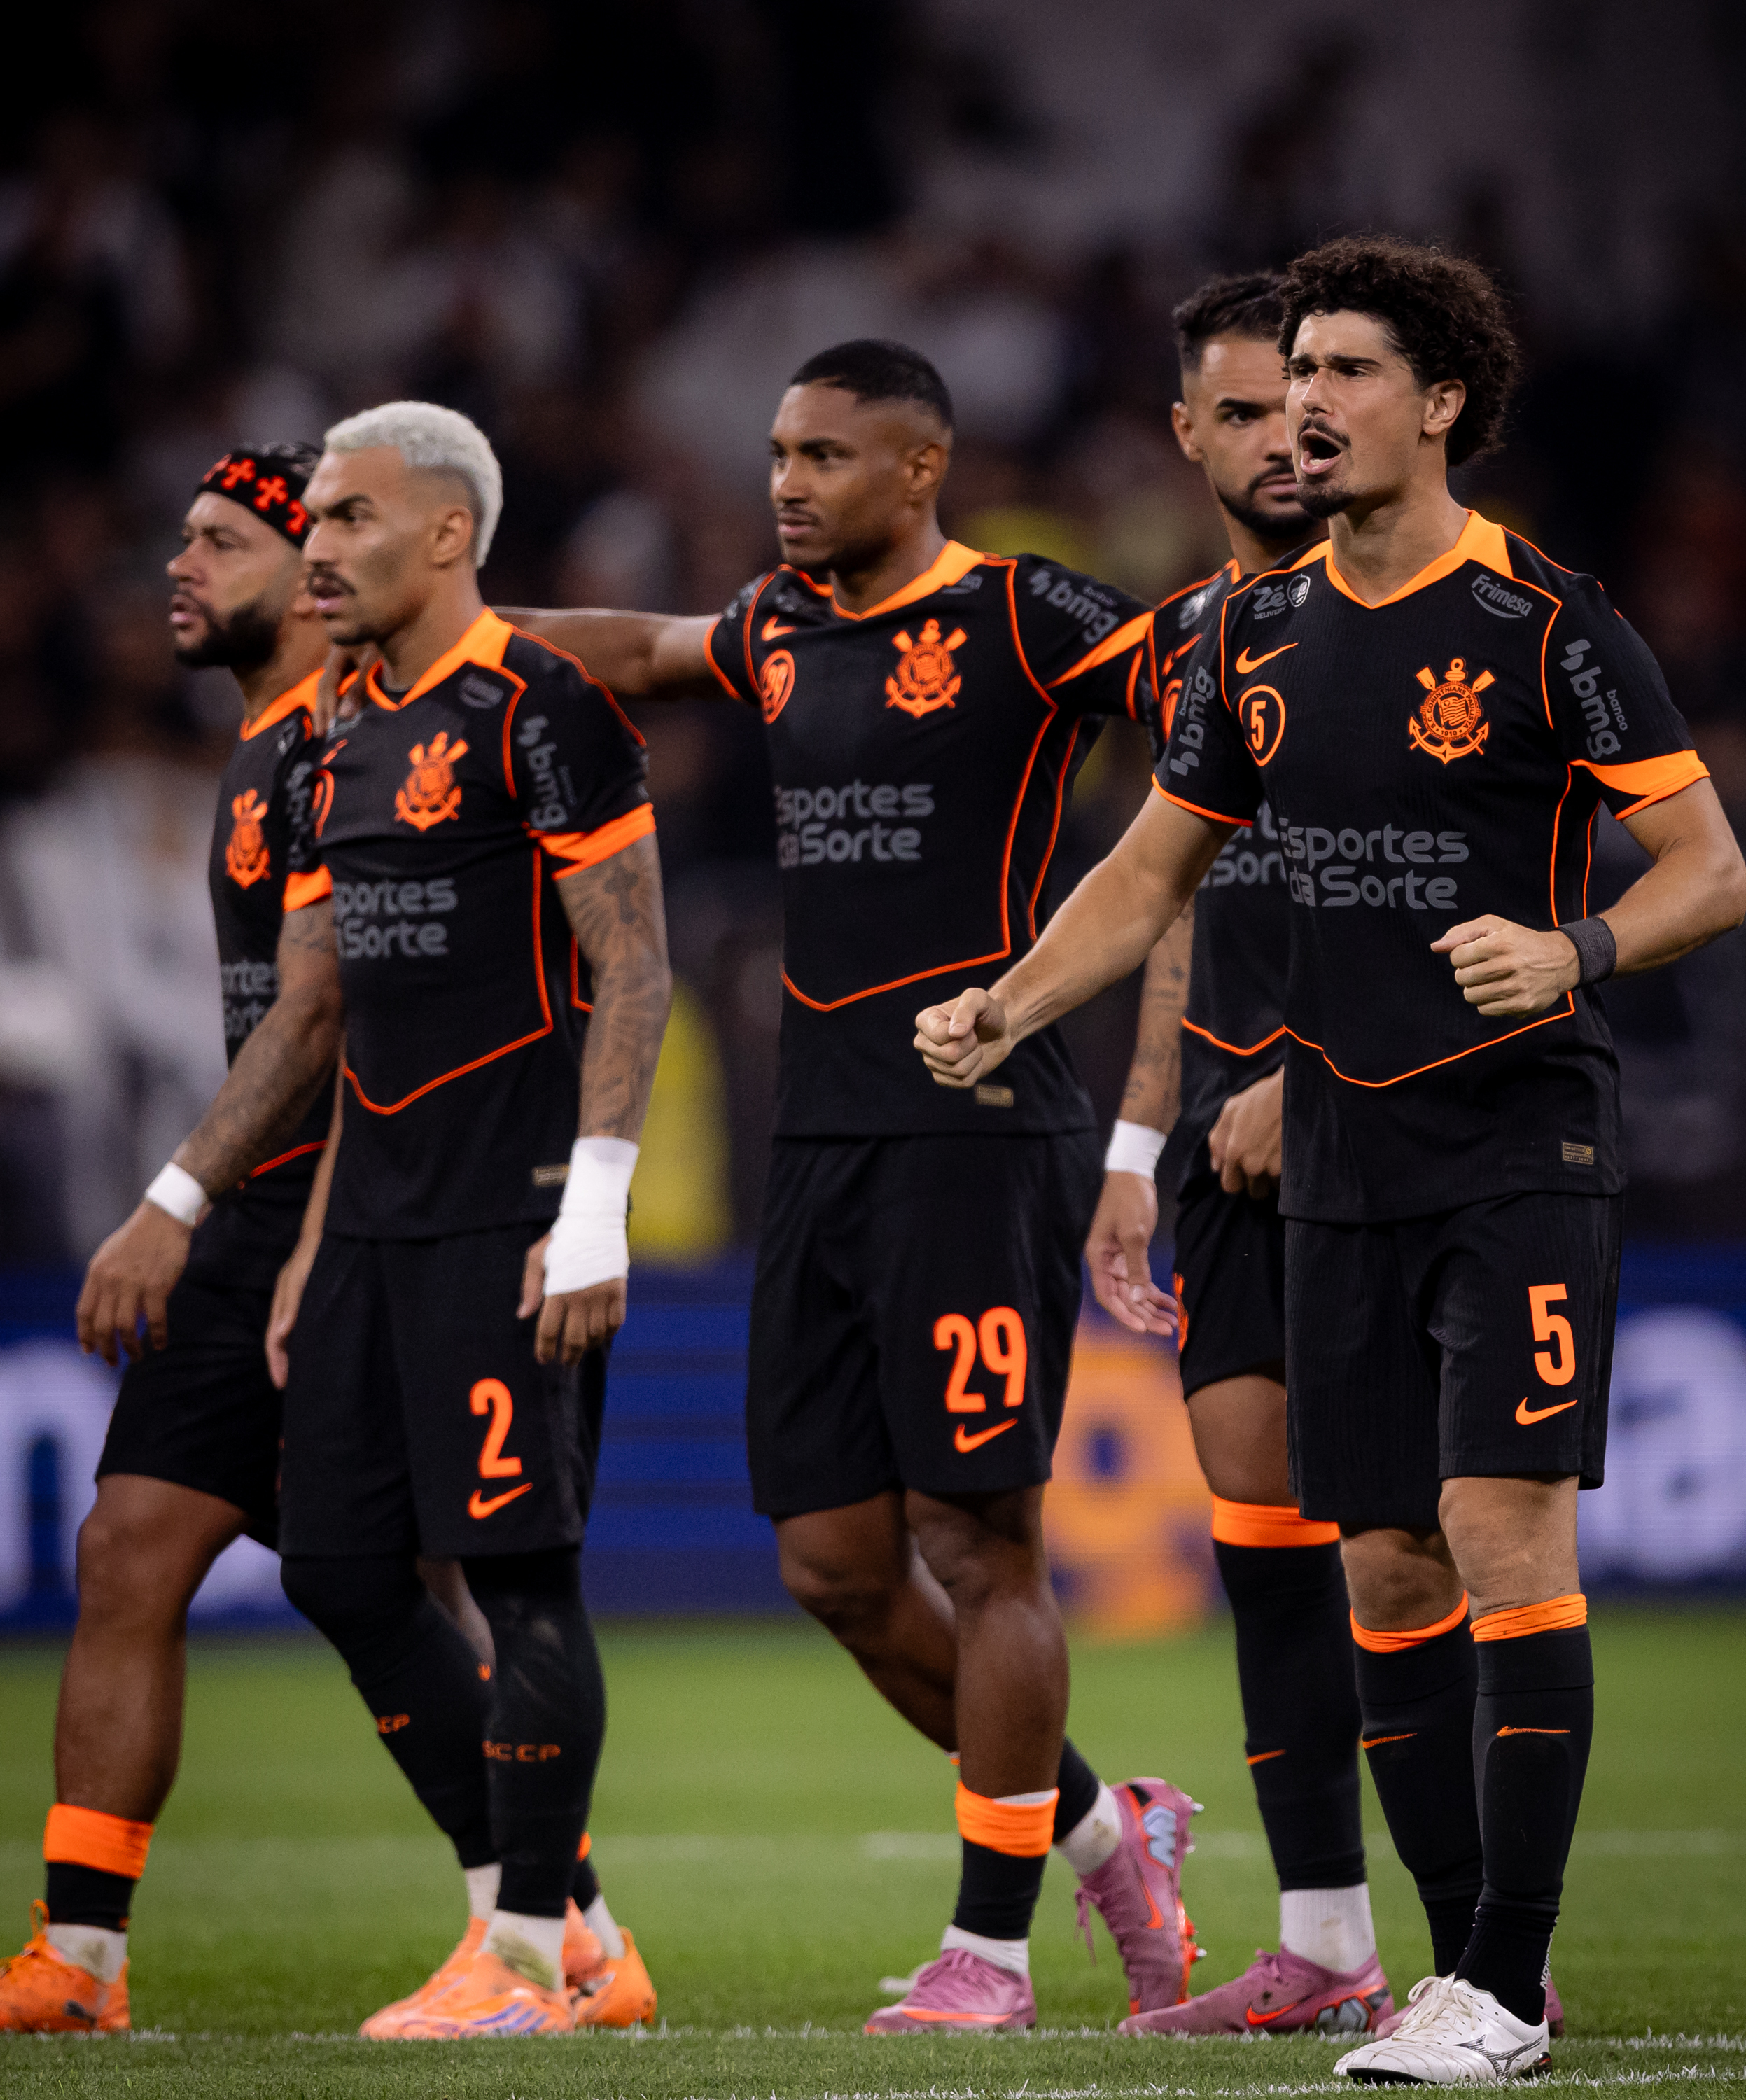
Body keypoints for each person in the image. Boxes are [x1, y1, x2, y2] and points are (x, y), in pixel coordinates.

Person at [916, 237, 1746, 2084]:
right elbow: (1152, 873)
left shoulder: (1548, 625)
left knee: (1500, 1532)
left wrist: (1575, 950)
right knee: (1378, 1564)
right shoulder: (1260, 638)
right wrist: (1007, 1000)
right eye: (1295, 369)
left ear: (1439, 400)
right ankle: (1461, 1974)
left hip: (1520, 1130)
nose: (1306, 399)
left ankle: (1507, 1987)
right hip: (1342, 1156)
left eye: (1347, 368)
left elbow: (1711, 868)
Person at [509, 339, 1201, 2033]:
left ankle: (993, 1953)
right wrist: (451, 636)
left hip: (981, 1135)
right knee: (830, 1564)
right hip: (815, 1139)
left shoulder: (1037, 619)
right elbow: (648, 653)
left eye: (821, 455)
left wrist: (1142, 1105)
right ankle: (1116, 1828)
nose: (785, 483)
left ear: (917, 469)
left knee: (981, 1543)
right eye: (774, 453)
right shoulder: (777, 626)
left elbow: (1215, 765)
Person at [82, 399, 671, 2040]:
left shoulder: (540, 708)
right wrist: (234, 1215)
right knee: (343, 1567)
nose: (321, 544)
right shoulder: (331, 733)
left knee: (522, 1572)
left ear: (444, 535)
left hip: (518, 1208)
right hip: (374, 1221)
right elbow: (322, 1008)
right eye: (315, 520)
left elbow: (633, 960)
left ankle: (539, 1957)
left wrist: (601, 1204)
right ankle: (537, 1929)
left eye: (347, 517)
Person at [1086, 273, 1390, 2039]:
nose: (1286, 435)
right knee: (1265, 1534)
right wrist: (1138, 1138)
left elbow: (1490, 891)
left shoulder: (1435, 612)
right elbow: (1174, 914)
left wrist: (1322, 1073)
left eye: (1311, 399)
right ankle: (1327, 1942)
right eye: (1247, 410)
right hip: (1217, 1142)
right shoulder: (1191, 639)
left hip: (1394, 1133)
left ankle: (1492, 1945)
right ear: (1189, 436)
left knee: (1406, 1550)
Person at [0, 447, 331, 2034]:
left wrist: (170, 1199)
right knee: (129, 1549)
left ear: (310, 558)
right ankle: (79, 1958)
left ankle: (559, 1923)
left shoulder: (357, 741)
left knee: (398, 1593)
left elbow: (333, 1013)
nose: (176, 572)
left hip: (376, 1213)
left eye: (216, 543)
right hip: (262, 1200)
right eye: (176, 543)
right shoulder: (260, 743)